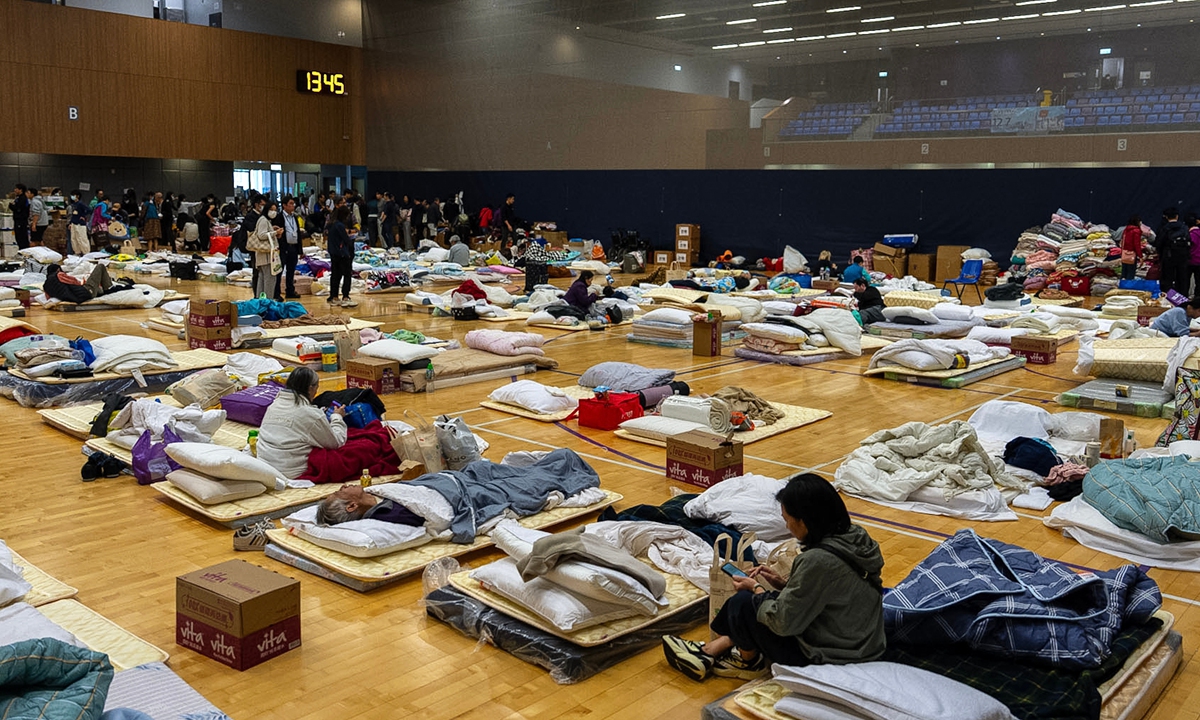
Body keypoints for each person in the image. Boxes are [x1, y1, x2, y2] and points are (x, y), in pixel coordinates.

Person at [661, 474, 886, 681]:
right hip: (864, 643)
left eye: (787, 520)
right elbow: (827, 592)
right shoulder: (856, 537)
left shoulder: (817, 560)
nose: (787, 526)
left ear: (804, 521)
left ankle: (748, 662)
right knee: (769, 597)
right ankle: (710, 651)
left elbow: (783, 622)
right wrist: (783, 583)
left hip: (832, 657)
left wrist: (756, 588)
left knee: (744, 603)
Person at [256, 367, 347, 481]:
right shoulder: (311, 415)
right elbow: (336, 442)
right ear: (310, 388)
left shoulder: (274, 405)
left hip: (264, 466)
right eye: (316, 387)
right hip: (289, 472)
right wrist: (337, 417)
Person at [316, 483, 425, 526]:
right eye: (340, 492)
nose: (343, 486)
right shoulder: (390, 513)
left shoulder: (375, 494)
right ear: (352, 506)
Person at [246, 196, 281, 298]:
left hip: (263, 257)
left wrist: (272, 230)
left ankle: (261, 301)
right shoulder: (263, 220)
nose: (273, 212)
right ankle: (267, 302)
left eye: (275, 210)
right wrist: (275, 233)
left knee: (262, 280)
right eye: (271, 210)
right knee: (269, 280)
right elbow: (261, 235)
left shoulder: (264, 220)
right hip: (266, 256)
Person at [43, 263, 122, 303]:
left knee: (99, 290)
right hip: (85, 293)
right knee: (100, 266)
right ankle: (109, 289)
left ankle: (104, 290)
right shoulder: (59, 275)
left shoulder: (46, 285)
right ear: (58, 270)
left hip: (76, 297)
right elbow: (74, 281)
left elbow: (48, 297)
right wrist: (83, 283)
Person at [327, 205, 357, 308]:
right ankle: (345, 296)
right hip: (342, 253)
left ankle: (334, 296)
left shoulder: (331, 224)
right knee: (347, 274)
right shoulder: (339, 226)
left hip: (334, 253)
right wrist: (351, 240)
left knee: (335, 275)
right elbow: (346, 239)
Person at [1156, 207, 1190, 294]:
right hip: (1183, 256)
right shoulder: (1184, 228)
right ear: (1177, 216)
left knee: (1167, 278)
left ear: (1166, 217)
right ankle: (1182, 297)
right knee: (1182, 278)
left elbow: (1159, 243)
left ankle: (1168, 296)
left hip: (1168, 256)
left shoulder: (1164, 228)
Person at [276, 196, 302, 299]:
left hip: (293, 247)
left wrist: (300, 249)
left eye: (293, 203)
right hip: (283, 248)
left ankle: (290, 291)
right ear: (284, 205)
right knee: (279, 271)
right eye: (290, 203)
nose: (293, 205)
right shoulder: (279, 217)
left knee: (291, 271)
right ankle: (276, 293)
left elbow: (298, 233)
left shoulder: (294, 217)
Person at [67, 190, 91, 256]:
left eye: (73, 195)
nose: (72, 197)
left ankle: (86, 252)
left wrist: (83, 216)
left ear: (77, 196)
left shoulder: (80, 204)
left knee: (81, 238)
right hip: (74, 223)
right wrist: (70, 223)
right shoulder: (73, 205)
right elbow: (73, 215)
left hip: (80, 223)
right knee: (74, 239)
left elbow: (89, 210)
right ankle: (77, 252)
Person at [1121, 215, 1143, 282]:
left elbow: (1122, 241)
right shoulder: (1136, 231)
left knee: (1124, 271)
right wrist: (1140, 256)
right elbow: (1137, 244)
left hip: (1124, 253)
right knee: (1131, 272)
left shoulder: (1126, 230)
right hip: (1132, 254)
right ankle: (1128, 286)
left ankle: (1122, 285)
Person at [10, 184, 30, 251]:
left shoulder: (22, 198)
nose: (15, 190)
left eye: (16, 189)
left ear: (20, 190)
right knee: (18, 237)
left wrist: (11, 206)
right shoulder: (18, 198)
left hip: (21, 221)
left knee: (21, 237)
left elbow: (18, 209)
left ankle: (24, 251)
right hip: (17, 220)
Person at [1188, 213, 1200, 297]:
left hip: (1190, 260)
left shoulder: (1190, 235)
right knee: (1199, 281)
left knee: (1185, 280)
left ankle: (1184, 297)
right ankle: (1198, 297)